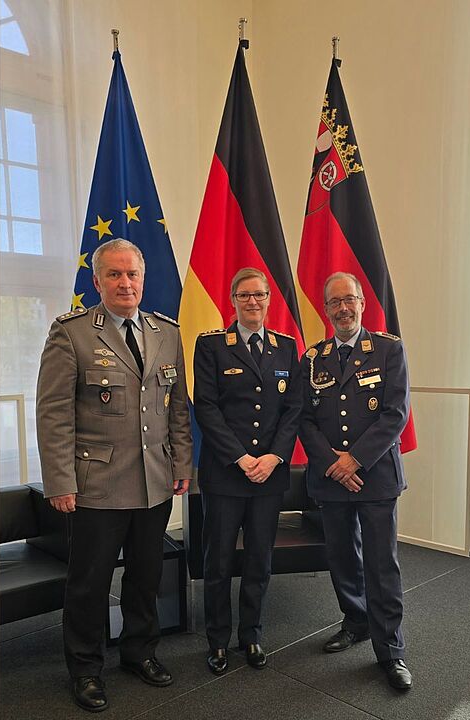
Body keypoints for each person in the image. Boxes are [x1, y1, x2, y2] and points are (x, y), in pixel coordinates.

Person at [36, 238, 193, 712]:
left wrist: (182, 464)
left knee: (146, 577)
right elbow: (54, 413)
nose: (126, 283)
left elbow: (177, 409)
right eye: (115, 275)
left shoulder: (166, 332)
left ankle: (138, 652)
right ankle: (85, 669)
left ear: (143, 280)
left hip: (154, 482)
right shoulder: (73, 333)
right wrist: (61, 482)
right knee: (89, 582)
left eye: (133, 275)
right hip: (96, 486)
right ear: (97, 280)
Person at [297, 271, 413, 691]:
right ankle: (355, 620)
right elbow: (304, 419)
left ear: (362, 303)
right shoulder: (312, 358)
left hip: (376, 477)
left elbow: (394, 413)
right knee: (342, 557)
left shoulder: (387, 350)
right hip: (331, 479)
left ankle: (391, 651)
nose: (343, 308)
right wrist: (333, 463)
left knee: (382, 565)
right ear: (326, 309)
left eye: (349, 300)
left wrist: (355, 461)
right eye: (334, 303)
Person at [192, 268, 302, 676]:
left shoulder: (286, 348)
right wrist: (240, 458)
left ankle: (252, 634)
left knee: (259, 559)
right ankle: (218, 640)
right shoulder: (212, 346)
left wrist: (274, 457)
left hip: (269, 476)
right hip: (225, 474)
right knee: (217, 562)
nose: (252, 302)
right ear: (232, 300)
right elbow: (206, 406)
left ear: (269, 299)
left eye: (259, 295)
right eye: (244, 295)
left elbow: (293, 410)